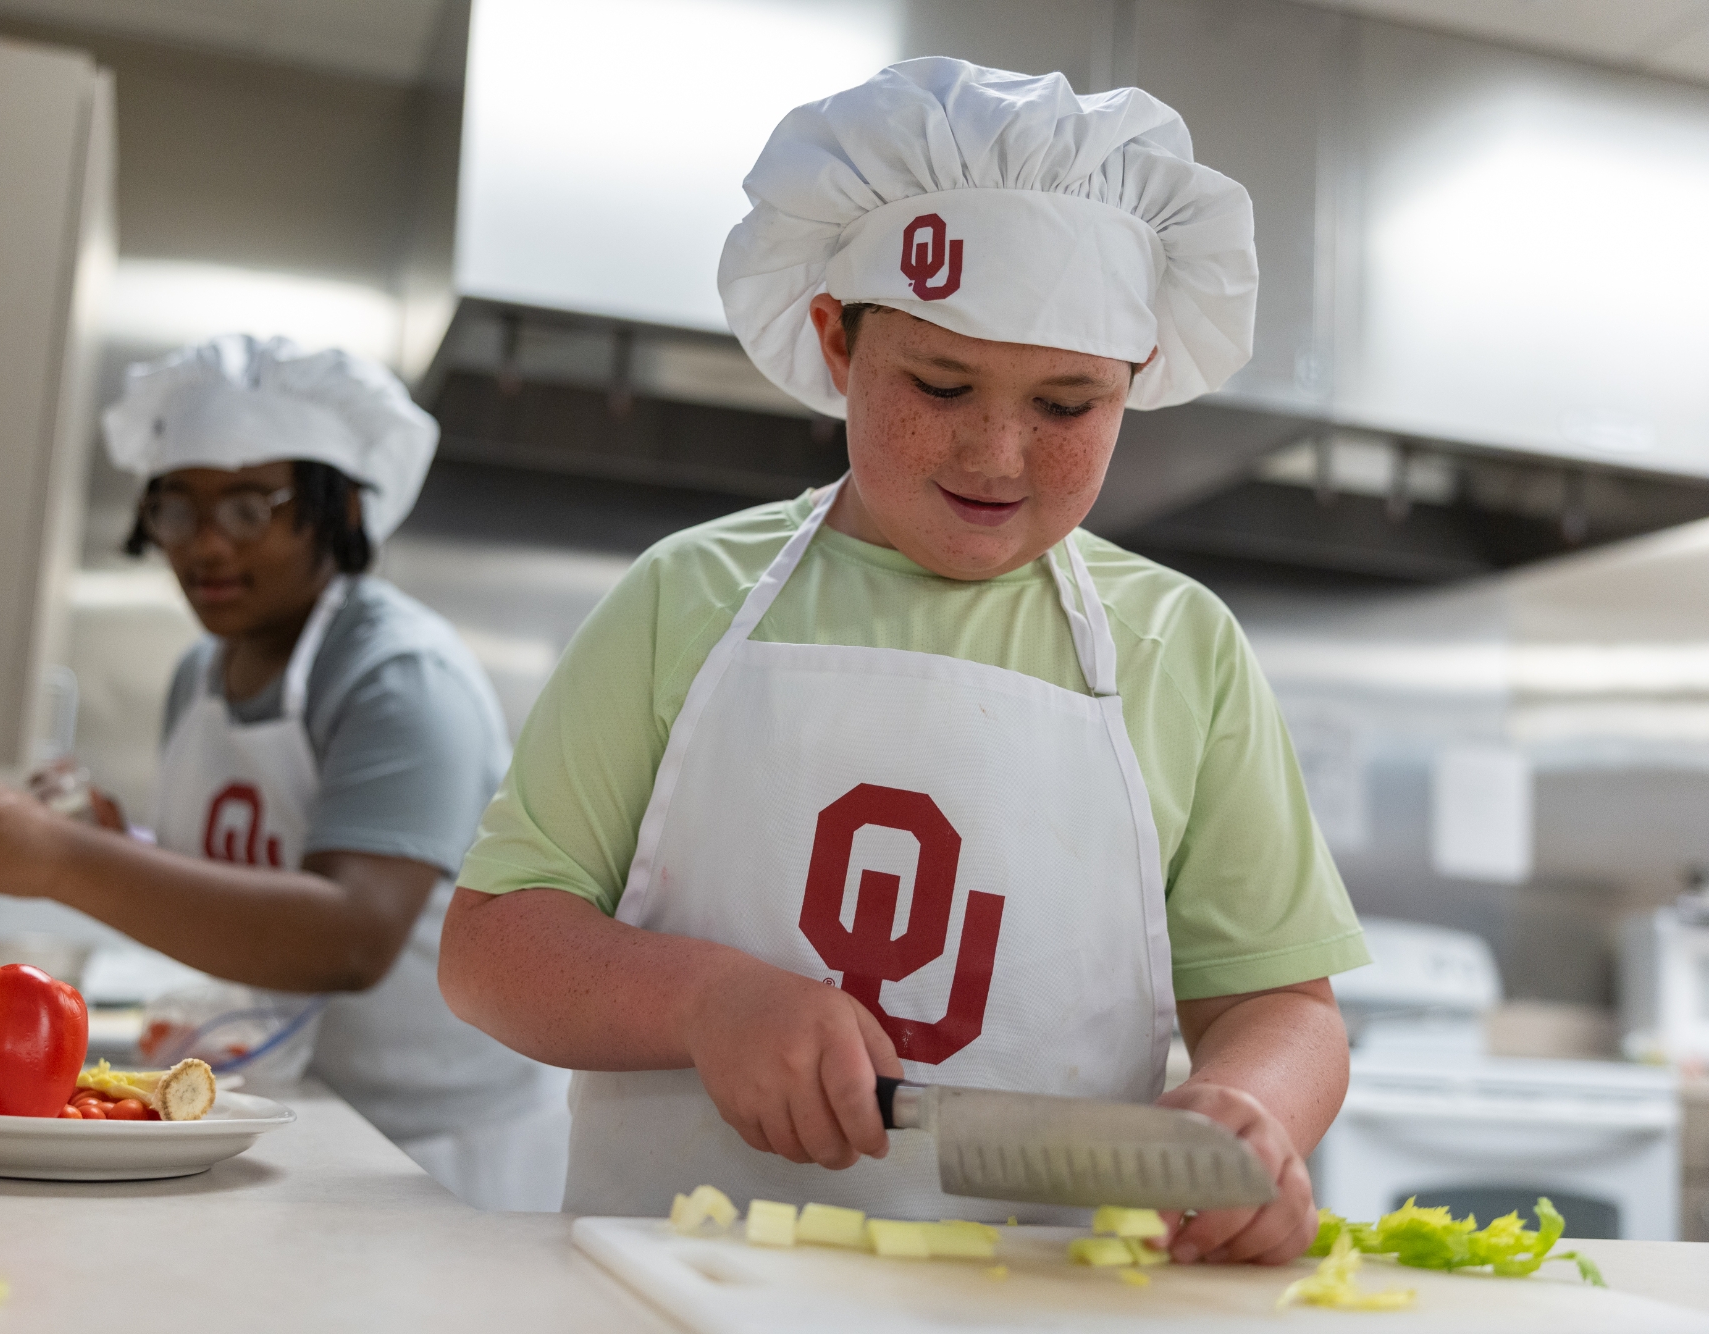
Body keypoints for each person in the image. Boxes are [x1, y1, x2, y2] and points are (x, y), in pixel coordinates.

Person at [438, 60, 1369, 1262]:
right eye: (939, 383)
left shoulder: (1175, 646)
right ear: (835, 339)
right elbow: (492, 944)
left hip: (1038, 1293)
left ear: (1133, 384)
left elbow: (1278, 1003)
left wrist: (1253, 1107)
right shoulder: (687, 598)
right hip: (672, 1275)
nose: (995, 449)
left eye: (1068, 405)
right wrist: (705, 998)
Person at [0, 335, 570, 1210]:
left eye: (246, 508)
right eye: (175, 509)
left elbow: (350, 936)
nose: (203, 546)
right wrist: (123, 847)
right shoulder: (202, 676)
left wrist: (59, 860)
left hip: (436, 1147)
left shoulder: (399, 675)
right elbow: (249, 875)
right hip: (282, 1109)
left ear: (338, 506)